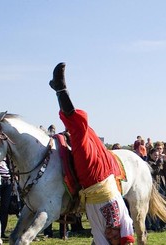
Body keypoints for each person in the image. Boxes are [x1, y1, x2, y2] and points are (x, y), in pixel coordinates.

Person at [49, 62, 134, 245]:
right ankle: (60, 91)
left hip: (90, 180)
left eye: (109, 236)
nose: (111, 233)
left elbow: (99, 240)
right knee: (85, 129)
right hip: (104, 180)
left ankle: (60, 90)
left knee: (80, 128)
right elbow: (128, 239)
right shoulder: (124, 224)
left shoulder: (98, 229)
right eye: (114, 236)